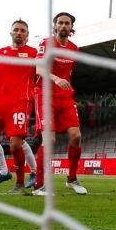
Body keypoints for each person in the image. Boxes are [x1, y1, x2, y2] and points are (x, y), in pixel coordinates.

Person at [0, 19, 37, 195]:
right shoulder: (0, 53)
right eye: (16, 30)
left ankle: (21, 181)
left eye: (23, 30)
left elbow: (45, 69)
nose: (19, 32)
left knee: (16, 144)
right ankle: (3, 171)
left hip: (20, 102)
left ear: (27, 34)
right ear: (11, 33)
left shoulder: (34, 53)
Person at [32, 12, 86, 196]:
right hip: (44, 94)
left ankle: (72, 179)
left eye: (67, 23)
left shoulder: (74, 48)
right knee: (50, 139)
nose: (63, 26)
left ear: (71, 28)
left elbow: (68, 73)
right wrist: (55, 79)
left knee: (76, 136)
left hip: (64, 96)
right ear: (55, 26)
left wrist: (65, 86)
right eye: (60, 23)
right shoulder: (45, 43)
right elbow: (39, 69)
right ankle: (39, 185)